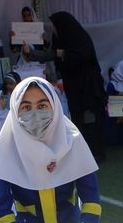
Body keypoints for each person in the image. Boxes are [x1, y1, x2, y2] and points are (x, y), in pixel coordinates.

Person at [0, 77, 101, 223]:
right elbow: (1, 211)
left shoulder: (74, 141)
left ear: (56, 107)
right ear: (15, 111)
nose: (35, 114)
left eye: (42, 106)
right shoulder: (3, 152)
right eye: (26, 107)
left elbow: (91, 199)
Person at [23, 11, 107, 162]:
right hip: (73, 85)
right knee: (77, 117)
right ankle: (81, 152)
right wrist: (32, 53)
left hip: (87, 86)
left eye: (55, 26)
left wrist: (64, 54)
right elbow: (52, 54)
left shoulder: (81, 38)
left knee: (90, 118)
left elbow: (82, 56)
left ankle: (96, 153)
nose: (54, 29)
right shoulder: (60, 38)